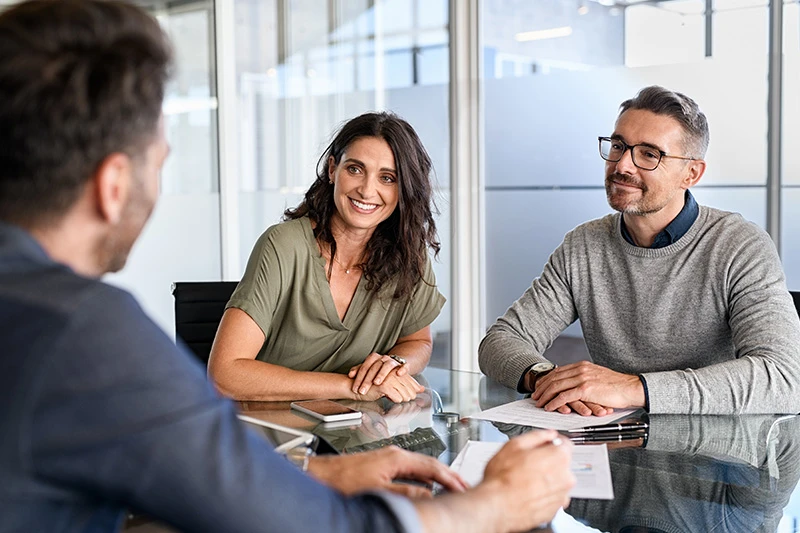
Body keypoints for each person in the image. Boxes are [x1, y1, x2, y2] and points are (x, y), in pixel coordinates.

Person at [0, 1, 575, 532]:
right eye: (162, 162)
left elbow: (180, 478)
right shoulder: (84, 335)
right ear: (114, 184)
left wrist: (319, 473)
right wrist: (493, 503)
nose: (368, 189)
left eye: (388, 178)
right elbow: (321, 524)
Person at [479, 85, 800, 416]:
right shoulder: (583, 246)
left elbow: (783, 378)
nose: (622, 166)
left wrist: (634, 388)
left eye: (649, 154)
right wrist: (547, 379)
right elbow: (500, 342)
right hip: (612, 448)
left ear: (691, 173)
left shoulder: (739, 246)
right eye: (618, 146)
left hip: (718, 456)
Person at [209, 112, 445, 403]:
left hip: (357, 435)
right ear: (333, 169)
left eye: (387, 178)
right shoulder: (283, 245)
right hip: (268, 433)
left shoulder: (409, 254)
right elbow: (225, 375)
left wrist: (395, 364)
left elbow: (417, 341)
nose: (367, 190)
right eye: (355, 169)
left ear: (404, 188)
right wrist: (350, 388)